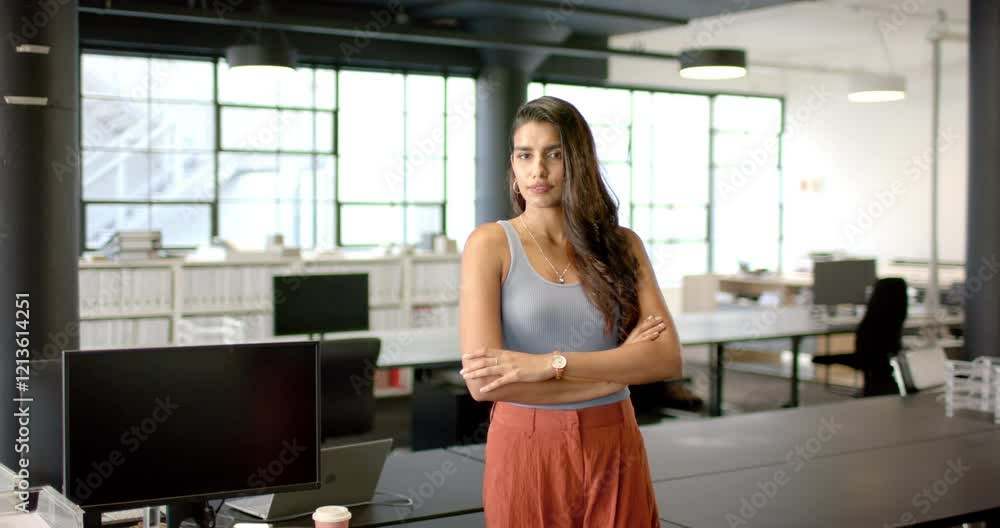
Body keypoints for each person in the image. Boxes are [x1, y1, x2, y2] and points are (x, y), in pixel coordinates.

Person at [459, 95, 683, 527]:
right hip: (525, 444)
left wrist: (547, 365)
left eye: (554, 155)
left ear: (577, 161)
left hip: (614, 442)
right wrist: (619, 370)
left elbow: (666, 358)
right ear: (514, 164)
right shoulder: (488, 245)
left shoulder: (622, 245)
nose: (537, 171)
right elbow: (485, 384)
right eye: (525, 155)